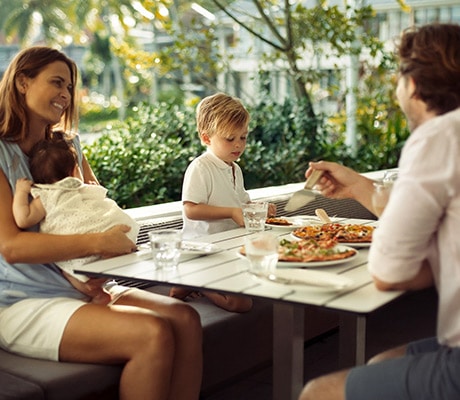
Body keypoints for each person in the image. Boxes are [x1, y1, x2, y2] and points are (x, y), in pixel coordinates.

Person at [0, 46, 202, 400]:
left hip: (83, 287)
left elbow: (91, 210)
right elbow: (11, 247)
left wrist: (97, 275)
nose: (65, 94)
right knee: (151, 333)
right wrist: (99, 243)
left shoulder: (69, 148)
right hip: (22, 302)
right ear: (21, 82)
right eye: (56, 83)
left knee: (185, 318)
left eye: (70, 87)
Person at [299, 23, 460, 400]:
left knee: (317, 392)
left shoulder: (440, 136)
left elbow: (388, 274)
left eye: (399, 75)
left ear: (414, 84)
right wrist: (358, 187)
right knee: (379, 363)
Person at [172, 92, 276, 312]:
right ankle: (192, 279)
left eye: (243, 137)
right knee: (241, 303)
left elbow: (242, 203)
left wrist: (260, 209)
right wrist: (231, 212)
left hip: (228, 249)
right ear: (206, 138)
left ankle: (189, 282)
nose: (238, 145)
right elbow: (190, 209)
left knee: (268, 281)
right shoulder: (201, 167)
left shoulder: (234, 168)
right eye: (230, 138)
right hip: (203, 250)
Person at [12, 138, 140, 281]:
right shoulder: (77, 188)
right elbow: (97, 202)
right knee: (114, 220)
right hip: (102, 236)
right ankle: (114, 257)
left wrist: (21, 193)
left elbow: (23, 219)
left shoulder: (45, 196)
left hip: (76, 252)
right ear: (74, 171)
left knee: (68, 272)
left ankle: (93, 290)